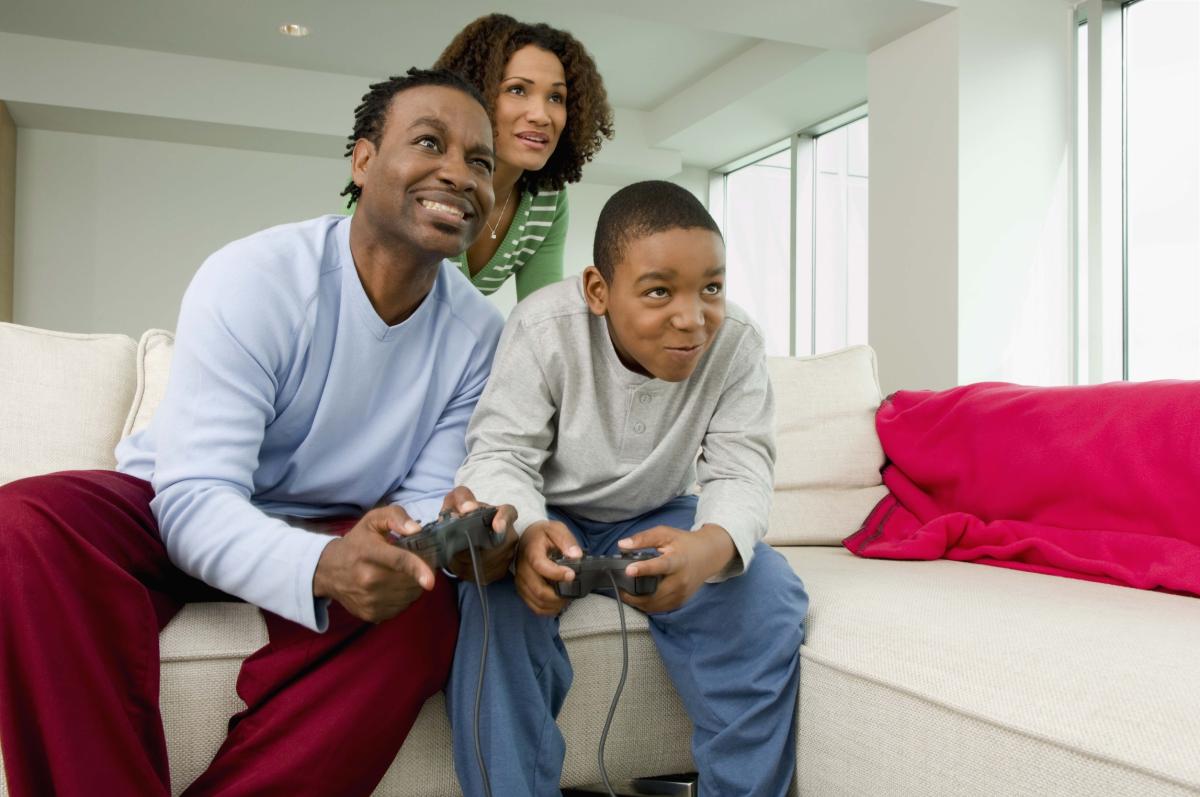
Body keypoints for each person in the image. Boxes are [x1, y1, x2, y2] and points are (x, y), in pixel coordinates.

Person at [0, 68, 518, 797]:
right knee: (23, 524)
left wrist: (443, 533)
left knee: (427, 599)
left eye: (481, 162)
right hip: (173, 503)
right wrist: (320, 565)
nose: (459, 174)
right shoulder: (257, 275)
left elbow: (427, 498)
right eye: (429, 142)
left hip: (339, 522)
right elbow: (194, 497)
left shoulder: (480, 335)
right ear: (363, 161)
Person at [448, 180, 810, 796]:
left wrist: (710, 548)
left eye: (712, 288)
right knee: (496, 605)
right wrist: (531, 532)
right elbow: (503, 452)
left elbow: (742, 466)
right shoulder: (542, 327)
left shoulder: (739, 342)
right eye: (659, 291)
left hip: (660, 510)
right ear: (599, 290)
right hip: (549, 509)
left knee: (769, 593)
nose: (693, 318)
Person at [430, 13, 614, 300]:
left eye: (556, 98)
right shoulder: (421, 172)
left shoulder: (547, 199)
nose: (541, 116)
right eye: (517, 90)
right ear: (475, 92)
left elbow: (542, 317)